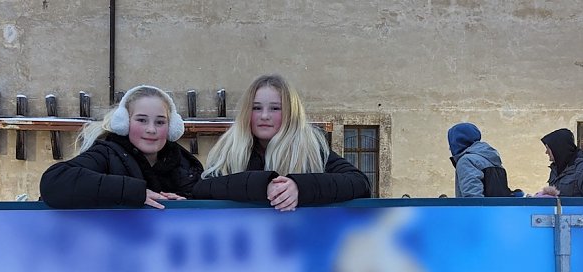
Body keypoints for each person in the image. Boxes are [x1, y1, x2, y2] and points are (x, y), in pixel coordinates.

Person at [192, 74, 371, 210]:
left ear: (290, 113)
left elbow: (359, 183)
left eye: (275, 108)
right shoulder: (228, 150)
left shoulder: (311, 149)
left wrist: (299, 187)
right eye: (256, 108)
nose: (264, 116)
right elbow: (201, 189)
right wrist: (265, 185)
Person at [40, 85, 203, 209]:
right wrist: (135, 193)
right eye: (141, 120)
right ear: (124, 123)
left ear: (172, 127)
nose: (151, 129)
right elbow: (54, 181)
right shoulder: (106, 154)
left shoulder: (187, 166)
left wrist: (185, 205)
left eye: (160, 122)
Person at [447, 122, 510, 197]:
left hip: (479, 208)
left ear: (456, 142)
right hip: (498, 208)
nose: (450, 149)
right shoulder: (492, 159)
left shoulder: (466, 161)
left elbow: (473, 197)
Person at [541, 128, 583, 197]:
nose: (546, 152)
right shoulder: (557, 168)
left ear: (558, 148)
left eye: (548, 148)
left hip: (577, 208)